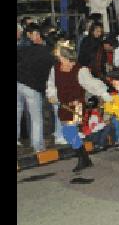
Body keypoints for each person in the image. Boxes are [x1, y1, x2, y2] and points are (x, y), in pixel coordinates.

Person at [45, 41, 115, 173]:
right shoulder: (55, 68)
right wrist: (52, 95)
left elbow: (93, 85)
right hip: (63, 105)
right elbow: (51, 84)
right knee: (68, 133)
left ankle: (83, 158)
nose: (58, 58)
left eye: (59, 56)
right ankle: (84, 157)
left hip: (77, 105)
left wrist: (107, 97)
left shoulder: (80, 70)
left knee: (70, 131)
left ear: (66, 56)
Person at [17, 23, 55, 153]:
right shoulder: (47, 52)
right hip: (32, 87)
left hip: (18, 83)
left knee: (17, 114)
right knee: (36, 118)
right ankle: (38, 146)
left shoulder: (23, 49)